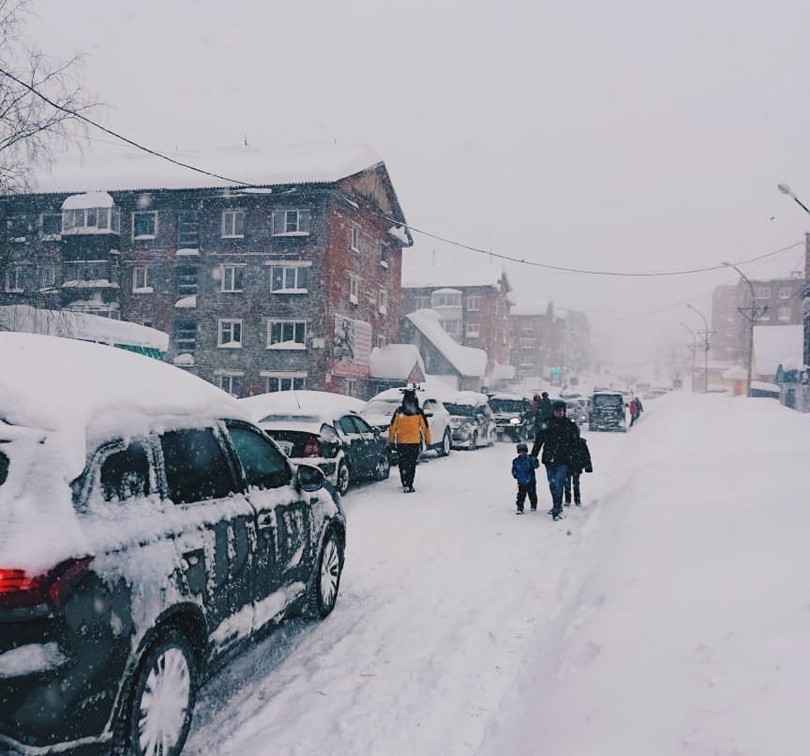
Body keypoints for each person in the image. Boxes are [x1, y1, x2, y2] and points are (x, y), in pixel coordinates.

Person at [531, 400, 579, 520]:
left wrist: (575, 458)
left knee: (559, 483)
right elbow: (539, 440)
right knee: (552, 484)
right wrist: (534, 455)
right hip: (549, 459)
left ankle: (557, 507)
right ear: (553, 411)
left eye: (561, 411)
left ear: (564, 412)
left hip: (563, 460)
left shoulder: (569, 425)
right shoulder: (546, 424)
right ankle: (556, 504)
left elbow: (576, 443)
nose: (559, 413)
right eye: (557, 411)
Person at [389, 388, 432, 493]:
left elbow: (392, 426)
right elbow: (425, 427)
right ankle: (409, 484)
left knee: (402, 463)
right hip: (414, 442)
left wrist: (391, 440)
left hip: (401, 442)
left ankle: (404, 481)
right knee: (411, 464)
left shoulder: (399, 411)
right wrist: (428, 441)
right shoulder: (418, 412)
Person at [564, 434, 593, 507]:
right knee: (575, 482)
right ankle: (576, 499)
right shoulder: (580, 442)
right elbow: (586, 455)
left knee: (568, 482)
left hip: (569, 464)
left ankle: (569, 499)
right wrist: (587, 465)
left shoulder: (565, 441)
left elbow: (586, 455)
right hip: (576, 464)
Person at [511, 441, 539, 514]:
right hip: (521, 481)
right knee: (521, 495)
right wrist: (515, 474)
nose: (522, 453)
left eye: (524, 451)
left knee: (532, 494)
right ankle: (520, 507)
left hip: (531, 480)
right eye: (521, 452)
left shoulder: (530, 459)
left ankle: (533, 504)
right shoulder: (516, 461)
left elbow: (535, 466)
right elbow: (514, 469)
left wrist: (535, 461)